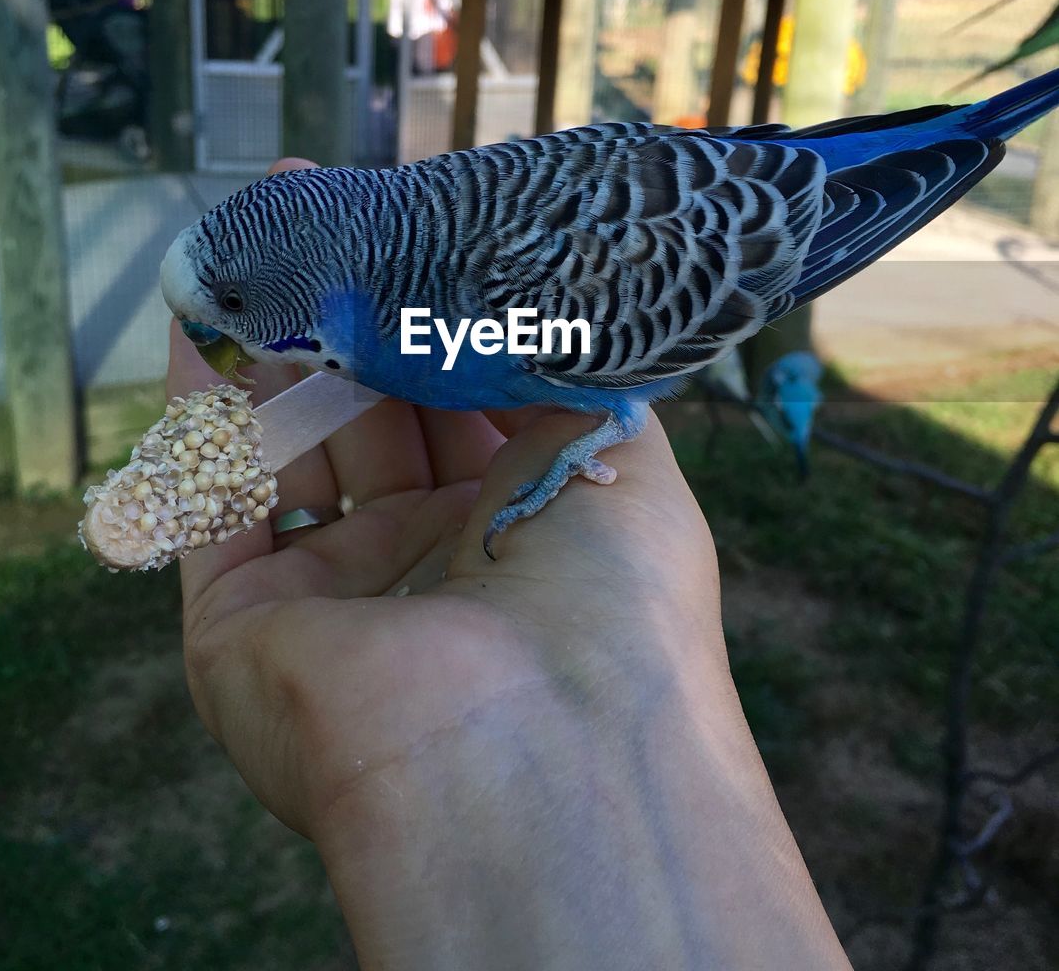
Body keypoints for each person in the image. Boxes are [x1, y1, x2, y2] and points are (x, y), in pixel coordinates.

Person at [169, 159, 852, 971]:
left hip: (757, 223)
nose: (223, 342)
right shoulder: (413, 302)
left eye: (236, 309)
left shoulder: (491, 299)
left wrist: (597, 430)